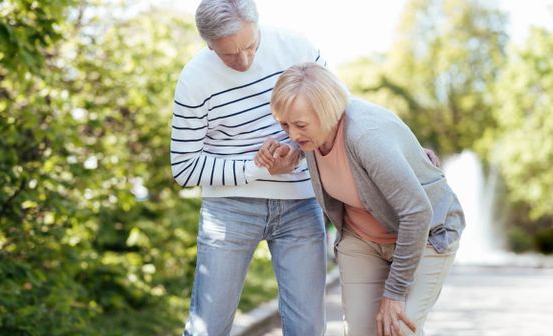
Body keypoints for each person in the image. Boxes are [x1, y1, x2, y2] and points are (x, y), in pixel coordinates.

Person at [257, 63, 465, 336]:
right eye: (285, 125)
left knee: (399, 329)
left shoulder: (365, 136)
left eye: (300, 125)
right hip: (363, 239)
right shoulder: (314, 133)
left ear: (327, 112)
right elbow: (309, 140)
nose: (293, 133)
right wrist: (291, 150)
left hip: (427, 234)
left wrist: (394, 292)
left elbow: (417, 213)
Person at [170, 1, 329, 335]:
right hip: (229, 211)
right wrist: (257, 169)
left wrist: (296, 151)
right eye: (228, 54)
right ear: (207, 43)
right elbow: (184, 167)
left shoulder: (298, 47)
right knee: (207, 328)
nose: (244, 61)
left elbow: (335, 115)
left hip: (300, 204)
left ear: (258, 24)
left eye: (250, 46)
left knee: (308, 328)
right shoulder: (193, 79)